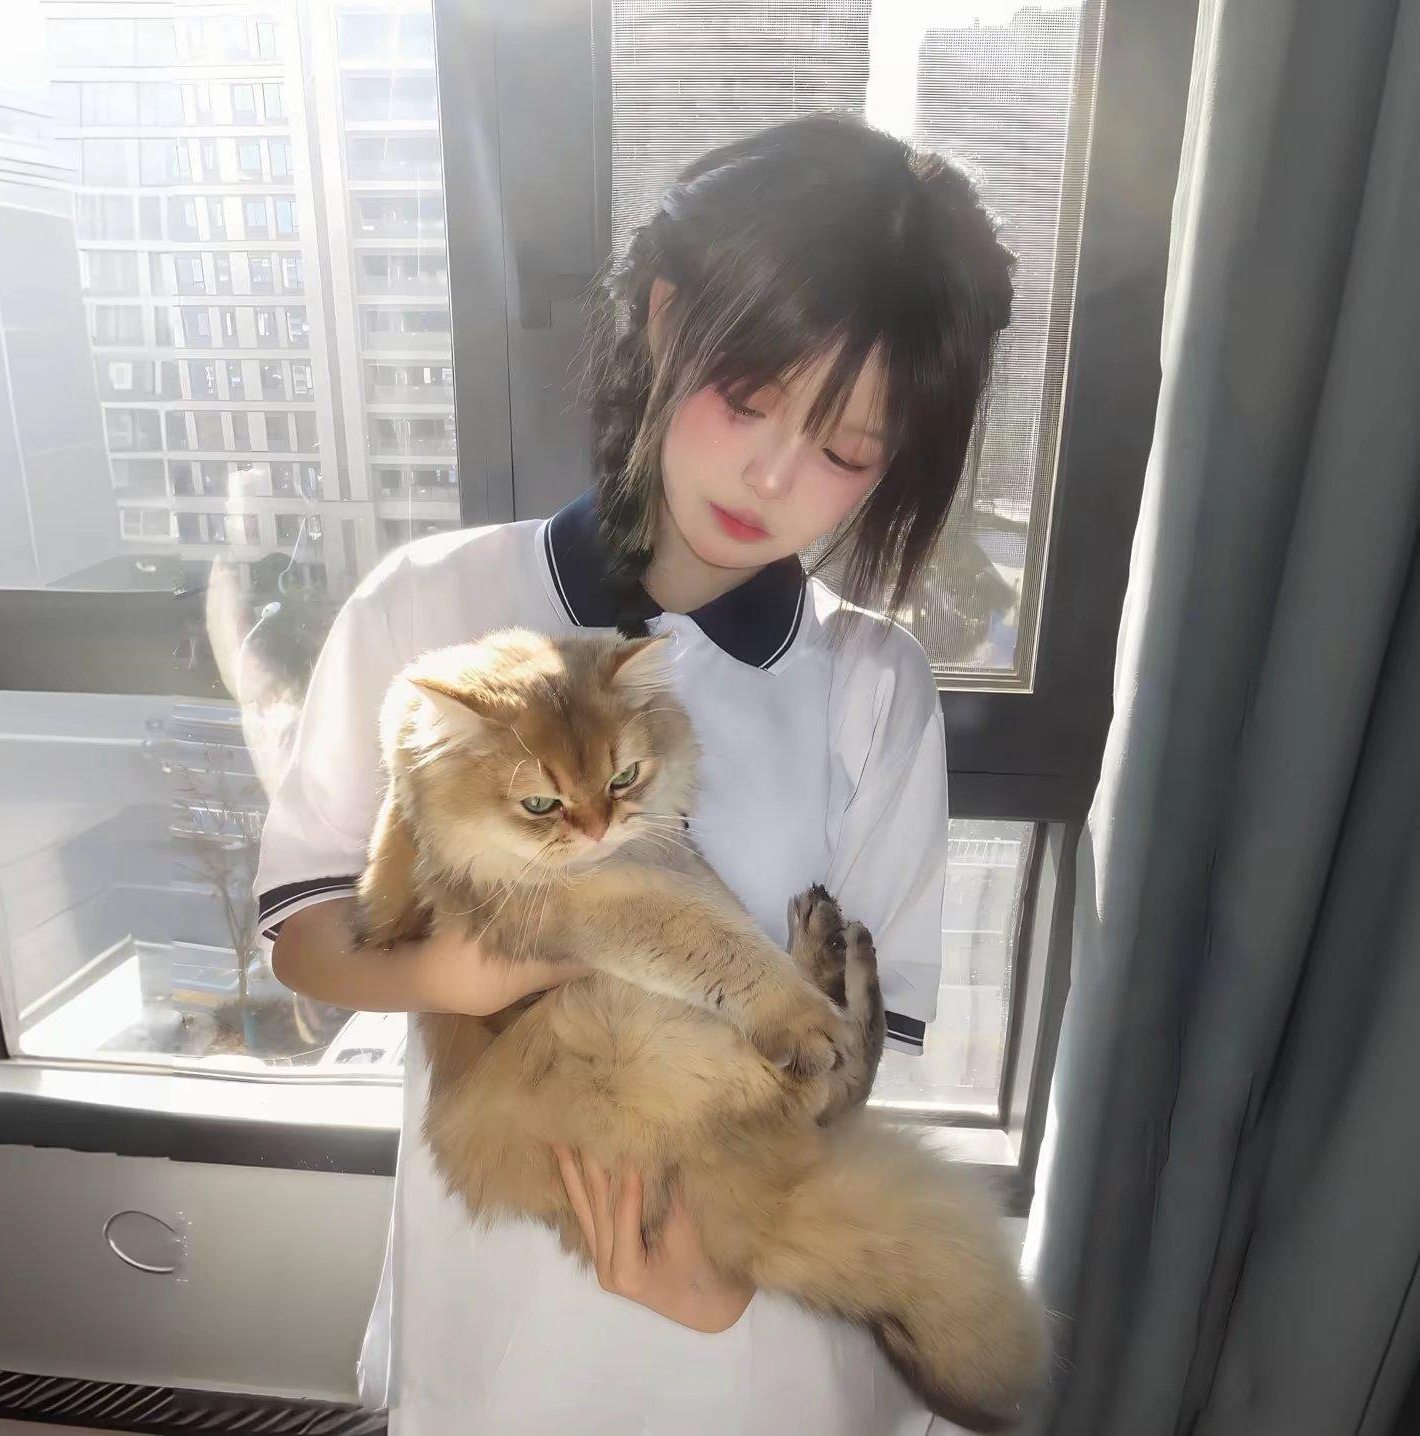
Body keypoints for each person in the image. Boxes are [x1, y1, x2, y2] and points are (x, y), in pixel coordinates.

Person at [255, 112, 1014, 1436]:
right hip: (504, 1309)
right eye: (750, 396)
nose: (773, 473)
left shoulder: (873, 686)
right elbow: (304, 933)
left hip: (746, 1330)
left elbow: (856, 1044)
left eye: (846, 449)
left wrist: (727, 1276)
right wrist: (460, 977)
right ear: (667, 318)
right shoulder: (432, 607)